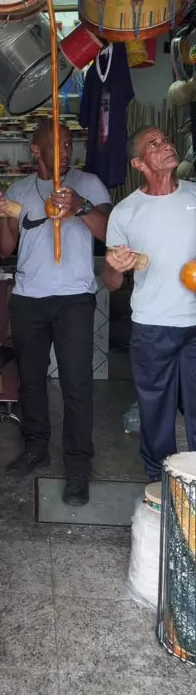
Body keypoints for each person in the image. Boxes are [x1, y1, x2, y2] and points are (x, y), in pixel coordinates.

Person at [0, 119, 111, 506]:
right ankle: (35, 447)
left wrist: (80, 206)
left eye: (69, 143)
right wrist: (2, 214)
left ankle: (78, 466)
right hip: (28, 297)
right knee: (31, 380)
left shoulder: (88, 183)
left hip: (74, 297)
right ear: (36, 149)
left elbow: (109, 232)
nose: (65, 150)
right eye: (56, 144)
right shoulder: (20, 190)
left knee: (77, 384)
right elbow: (4, 248)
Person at [102, 126, 196, 481]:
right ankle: (159, 481)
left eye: (166, 140)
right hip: (153, 325)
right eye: (153, 145)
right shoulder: (126, 212)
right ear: (138, 163)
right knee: (155, 411)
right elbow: (111, 283)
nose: (166, 145)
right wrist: (115, 266)